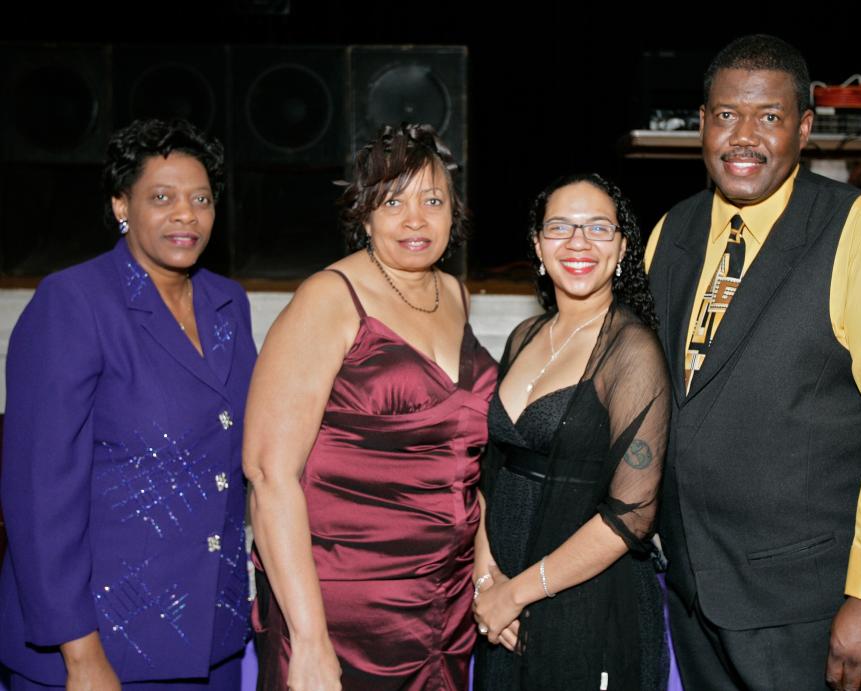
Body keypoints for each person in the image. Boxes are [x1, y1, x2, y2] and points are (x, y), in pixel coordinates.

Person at [644, 34, 861, 691]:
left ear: (805, 128)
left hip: (809, 605)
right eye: (726, 115)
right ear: (702, 124)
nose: (743, 137)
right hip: (694, 590)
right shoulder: (671, 232)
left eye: (770, 117)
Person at [0, 118, 257, 690]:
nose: (185, 214)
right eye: (161, 197)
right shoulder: (74, 302)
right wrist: (80, 652)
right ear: (121, 204)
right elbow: (39, 492)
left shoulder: (228, 305)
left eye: (201, 199)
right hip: (100, 645)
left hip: (210, 636)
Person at [244, 123, 497, 690]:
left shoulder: (452, 293)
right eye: (393, 201)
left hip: (443, 605)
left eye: (433, 200)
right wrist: (309, 641)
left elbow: (464, 454)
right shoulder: (329, 298)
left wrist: (483, 566)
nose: (416, 219)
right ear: (363, 216)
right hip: (345, 611)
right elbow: (268, 476)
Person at [472, 173, 670, 690]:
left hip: (587, 607)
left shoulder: (631, 352)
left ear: (623, 248)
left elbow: (632, 518)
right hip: (503, 612)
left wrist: (516, 594)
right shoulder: (525, 335)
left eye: (598, 228)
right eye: (560, 227)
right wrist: (487, 580)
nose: (578, 242)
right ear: (537, 245)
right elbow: (492, 472)